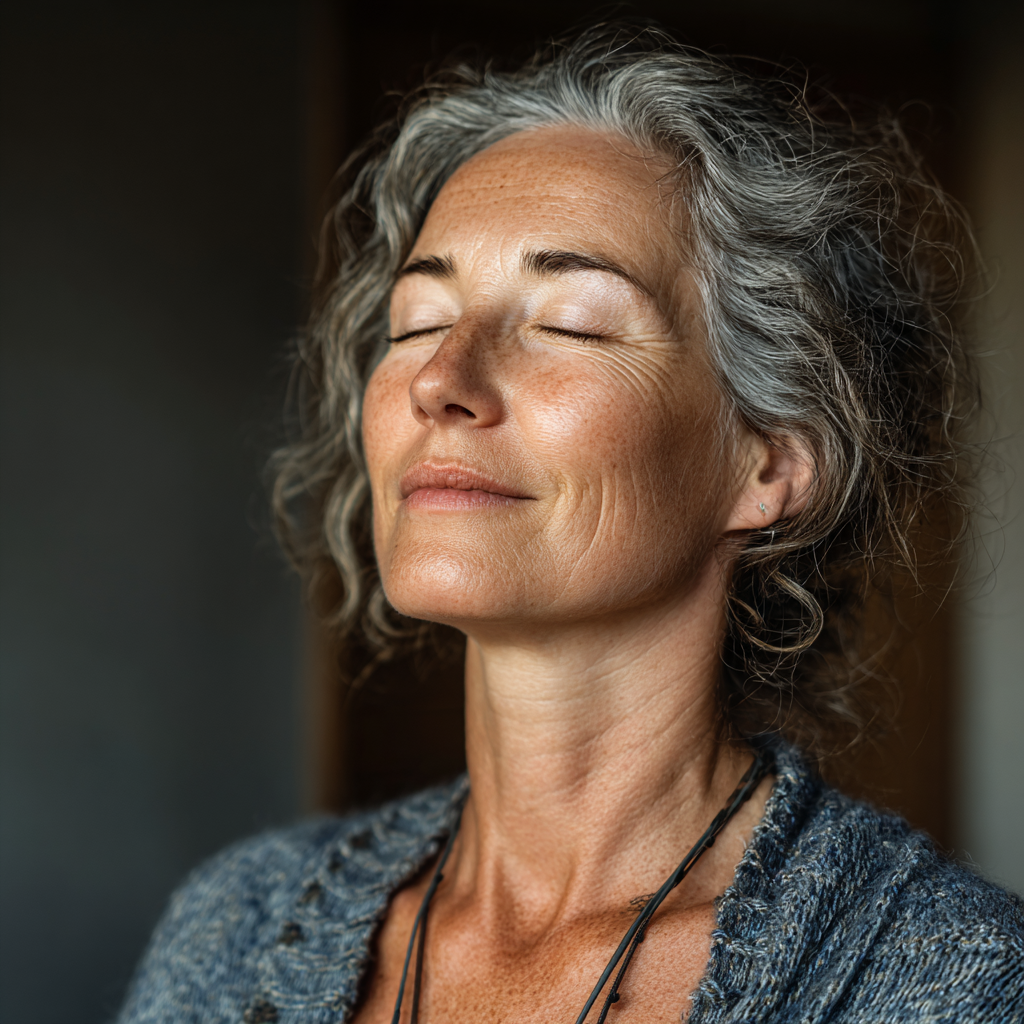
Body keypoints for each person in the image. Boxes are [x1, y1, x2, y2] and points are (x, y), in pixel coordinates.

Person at [117, 25, 1023, 1024]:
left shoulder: (951, 980)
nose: (439, 380)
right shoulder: (236, 926)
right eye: (415, 322)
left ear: (766, 462)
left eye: (570, 323)